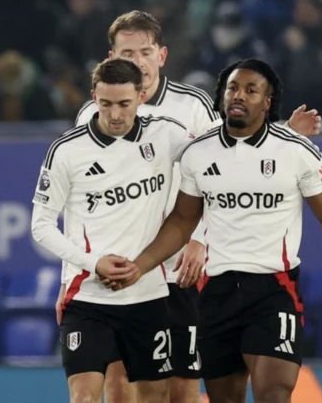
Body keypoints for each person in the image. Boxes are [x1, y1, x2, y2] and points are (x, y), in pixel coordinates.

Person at [68, 10, 322, 403]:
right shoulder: (95, 114)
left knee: (184, 384)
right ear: (111, 57)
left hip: (177, 269)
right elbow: (84, 200)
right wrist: (73, 272)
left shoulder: (193, 106)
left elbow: (228, 159)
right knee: (120, 385)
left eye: (145, 52)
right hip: (123, 266)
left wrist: (200, 238)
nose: (137, 62)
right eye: (127, 52)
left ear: (162, 55)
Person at [112, 58, 322, 403]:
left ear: (267, 102)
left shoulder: (296, 150)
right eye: (232, 88)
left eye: (250, 89)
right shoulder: (199, 153)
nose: (238, 95)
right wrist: (141, 265)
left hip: (273, 289)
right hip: (215, 294)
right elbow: (182, 222)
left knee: (273, 393)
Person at [31, 57, 196, 403]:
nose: (115, 114)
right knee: (84, 398)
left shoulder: (168, 135)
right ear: (93, 97)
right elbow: (41, 226)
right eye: (105, 104)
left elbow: (221, 150)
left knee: (154, 397)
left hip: (148, 296)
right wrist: (93, 263)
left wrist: (287, 133)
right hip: (88, 296)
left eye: (124, 104)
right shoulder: (67, 151)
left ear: (141, 97)